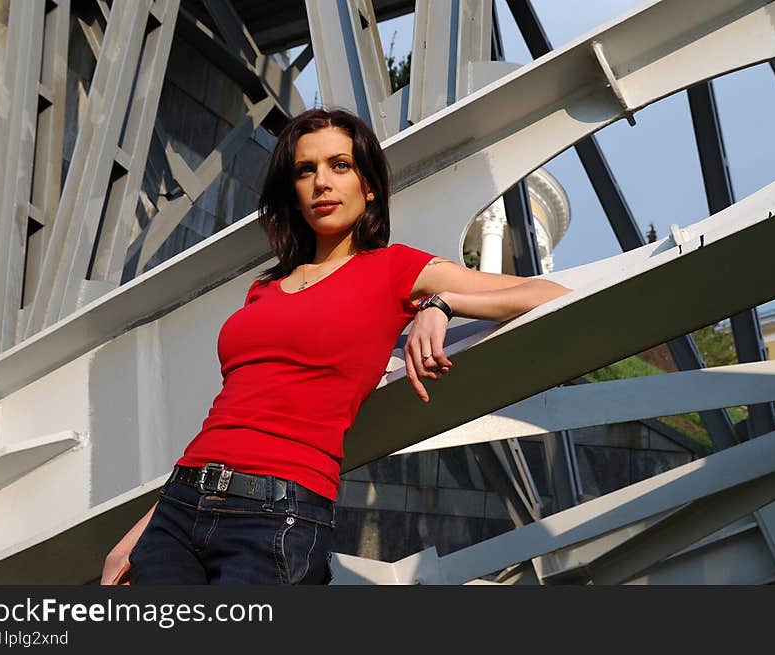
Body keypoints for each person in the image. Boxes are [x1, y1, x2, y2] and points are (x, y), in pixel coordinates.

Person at [100, 107, 571, 585]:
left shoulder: (393, 269)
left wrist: (443, 304)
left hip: (276, 516)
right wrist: (143, 528)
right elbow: (232, 414)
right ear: (295, 192)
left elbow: (548, 293)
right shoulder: (264, 289)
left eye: (339, 165)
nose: (322, 182)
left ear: (368, 187)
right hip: (181, 507)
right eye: (307, 170)